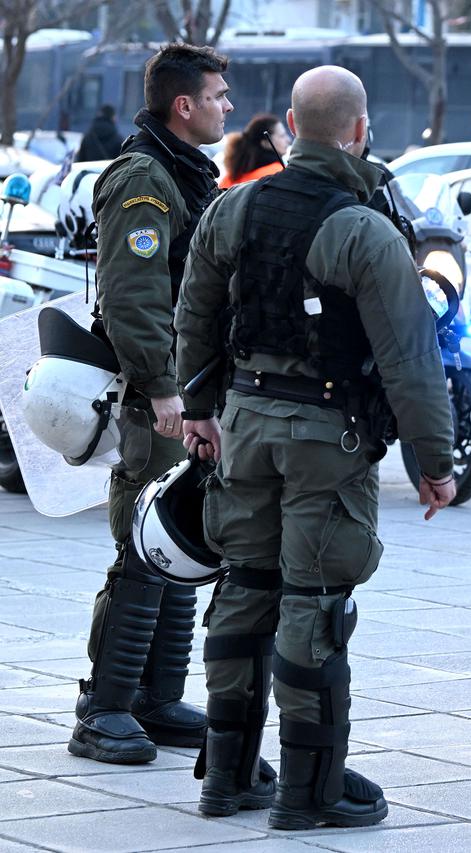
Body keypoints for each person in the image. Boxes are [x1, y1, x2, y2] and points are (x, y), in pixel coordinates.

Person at [175, 65, 455, 830]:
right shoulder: (363, 229)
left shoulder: (233, 208)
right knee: (314, 604)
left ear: (293, 129)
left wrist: (199, 409)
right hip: (326, 438)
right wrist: (435, 462)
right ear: (359, 131)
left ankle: (225, 778)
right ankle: (308, 789)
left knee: (243, 588)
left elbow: (194, 314)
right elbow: (410, 358)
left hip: (245, 428)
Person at [68, 44, 231, 766]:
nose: (228, 105)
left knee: (183, 540)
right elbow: (134, 299)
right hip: (153, 397)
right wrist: (164, 390)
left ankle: (158, 696)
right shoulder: (143, 176)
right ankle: (102, 708)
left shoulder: (183, 172)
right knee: (144, 544)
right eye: (218, 95)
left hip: (188, 391)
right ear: (183, 105)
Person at [218, 112, 289, 188]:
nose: (288, 140)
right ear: (266, 143)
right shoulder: (279, 173)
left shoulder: (229, 179)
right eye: (282, 136)